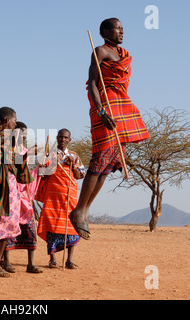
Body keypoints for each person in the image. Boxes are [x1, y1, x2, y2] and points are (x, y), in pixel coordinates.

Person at [69, 18, 150, 240]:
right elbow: (93, 82)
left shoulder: (124, 54)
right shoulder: (100, 51)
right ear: (105, 31)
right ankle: (78, 211)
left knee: (110, 163)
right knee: (100, 158)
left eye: (123, 28)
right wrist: (102, 111)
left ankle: (83, 210)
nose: (122, 31)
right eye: (117, 28)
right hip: (105, 107)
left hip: (122, 105)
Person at [0, 107, 33, 277]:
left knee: (7, 226)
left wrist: (24, 155)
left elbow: (22, 172)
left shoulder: (11, 142)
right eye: (14, 120)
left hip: (12, 188)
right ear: (7, 120)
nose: (15, 123)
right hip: (1, 187)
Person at [36, 129, 85, 269]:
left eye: (65, 137)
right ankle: (52, 259)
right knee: (51, 223)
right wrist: (48, 166)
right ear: (57, 139)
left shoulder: (74, 155)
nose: (63, 139)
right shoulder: (49, 154)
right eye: (60, 137)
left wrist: (72, 165)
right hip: (52, 195)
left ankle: (69, 260)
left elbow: (80, 175)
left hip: (69, 194)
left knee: (71, 223)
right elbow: (43, 175)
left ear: (69, 139)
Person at [2, 121, 44, 274]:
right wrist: (27, 156)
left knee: (30, 231)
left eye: (25, 136)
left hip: (25, 196)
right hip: (12, 193)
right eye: (21, 135)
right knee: (7, 228)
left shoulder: (26, 151)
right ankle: (6, 261)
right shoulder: (8, 149)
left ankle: (31, 264)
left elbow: (29, 173)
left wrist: (40, 168)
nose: (23, 138)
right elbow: (15, 167)